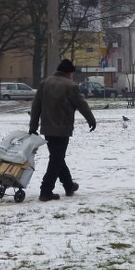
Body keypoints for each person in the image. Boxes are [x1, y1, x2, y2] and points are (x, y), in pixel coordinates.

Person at [28, 59, 96, 201]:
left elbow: (36, 106)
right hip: (62, 128)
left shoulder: (45, 82)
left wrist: (33, 127)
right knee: (56, 159)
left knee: (57, 158)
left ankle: (68, 185)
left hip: (47, 128)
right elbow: (81, 104)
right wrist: (91, 119)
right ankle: (45, 190)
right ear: (69, 72)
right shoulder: (70, 86)